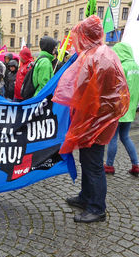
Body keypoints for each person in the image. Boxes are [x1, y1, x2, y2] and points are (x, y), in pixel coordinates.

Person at [53, 15, 130, 223]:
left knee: (93, 163)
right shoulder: (100, 54)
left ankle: (97, 208)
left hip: (96, 121)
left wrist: (87, 121)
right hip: (93, 119)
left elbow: (91, 91)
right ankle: (86, 197)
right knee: (87, 160)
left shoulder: (98, 56)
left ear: (86, 35)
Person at [104, 42, 139, 176]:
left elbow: (113, 88)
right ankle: (136, 164)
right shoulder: (137, 67)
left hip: (118, 109)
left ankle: (109, 165)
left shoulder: (120, 67)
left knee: (113, 138)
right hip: (130, 109)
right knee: (125, 137)